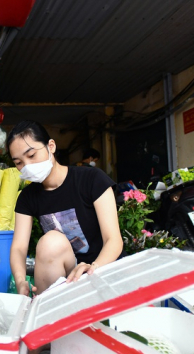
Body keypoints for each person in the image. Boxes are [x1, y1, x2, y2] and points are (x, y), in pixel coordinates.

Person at [8, 120, 122, 297]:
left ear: (51, 146)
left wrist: (94, 268)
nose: (27, 166)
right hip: (66, 277)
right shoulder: (27, 197)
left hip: (102, 267)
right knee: (50, 242)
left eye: (31, 155)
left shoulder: (92, 179)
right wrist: (20, 280)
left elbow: (114, 240)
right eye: (19, 162)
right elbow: (19, 248)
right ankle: (50, 314)